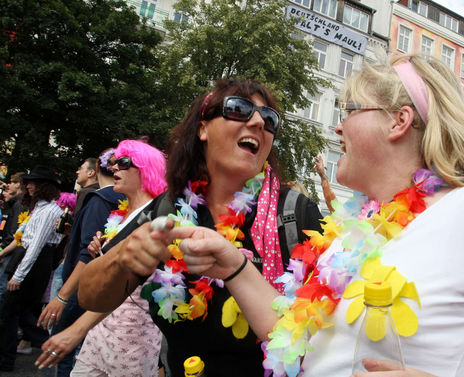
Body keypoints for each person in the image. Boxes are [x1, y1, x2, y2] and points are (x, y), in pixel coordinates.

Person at [107, 54, 464, 377]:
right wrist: (233, 266)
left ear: (399, 121)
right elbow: (296, 338)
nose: (337, 129)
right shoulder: (358, 234)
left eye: (349, 112)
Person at [77, 78, 323, 377]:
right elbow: (89, 296)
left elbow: (324, 335)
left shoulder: (295, 213)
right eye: (239, 109)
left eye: (270, 119)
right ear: (202, 128)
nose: (259, 121)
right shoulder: (169, 209)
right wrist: (122, 257)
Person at [36, 140, 167, 377]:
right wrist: (100, 254)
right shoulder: (121, 215)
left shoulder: (156, 215)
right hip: (100, 330)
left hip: (131, 335)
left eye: (123, 163)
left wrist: (74, 328)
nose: (114, 168)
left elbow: (131, 278)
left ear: (146, 169)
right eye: (114, 163)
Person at [37, 148, 125, 377]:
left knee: (61, 347)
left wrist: (62, 296)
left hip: (81, 283)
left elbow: (88, 253)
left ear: (96, 169)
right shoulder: (124, 200)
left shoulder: (100, 198)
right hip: (102, 285)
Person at [0, 166, 63, 372]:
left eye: (33, 182)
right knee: (17, 310)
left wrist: (18, 275)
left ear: (44, 186)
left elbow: (36, 245)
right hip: (27, 258)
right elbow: (23, 236)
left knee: (12, 310)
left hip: (34, 262)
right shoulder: (39, 208)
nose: (28, 185)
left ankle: (51, 345)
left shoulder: (50, 210)